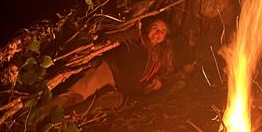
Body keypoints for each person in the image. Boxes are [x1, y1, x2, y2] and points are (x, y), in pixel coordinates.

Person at [43, 17, 174, 112]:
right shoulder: (137, 39)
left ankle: (55, 125)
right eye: (155, 28)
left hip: (123, 88)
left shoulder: (160, 54)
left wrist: (158, 79)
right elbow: (111, 36)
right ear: (147, 28)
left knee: (87, 108)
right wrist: (131, 32)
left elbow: (165, 72)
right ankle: (38, 115)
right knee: (74, 96)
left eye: (163, 31)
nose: (158, 33)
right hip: (108, 72)